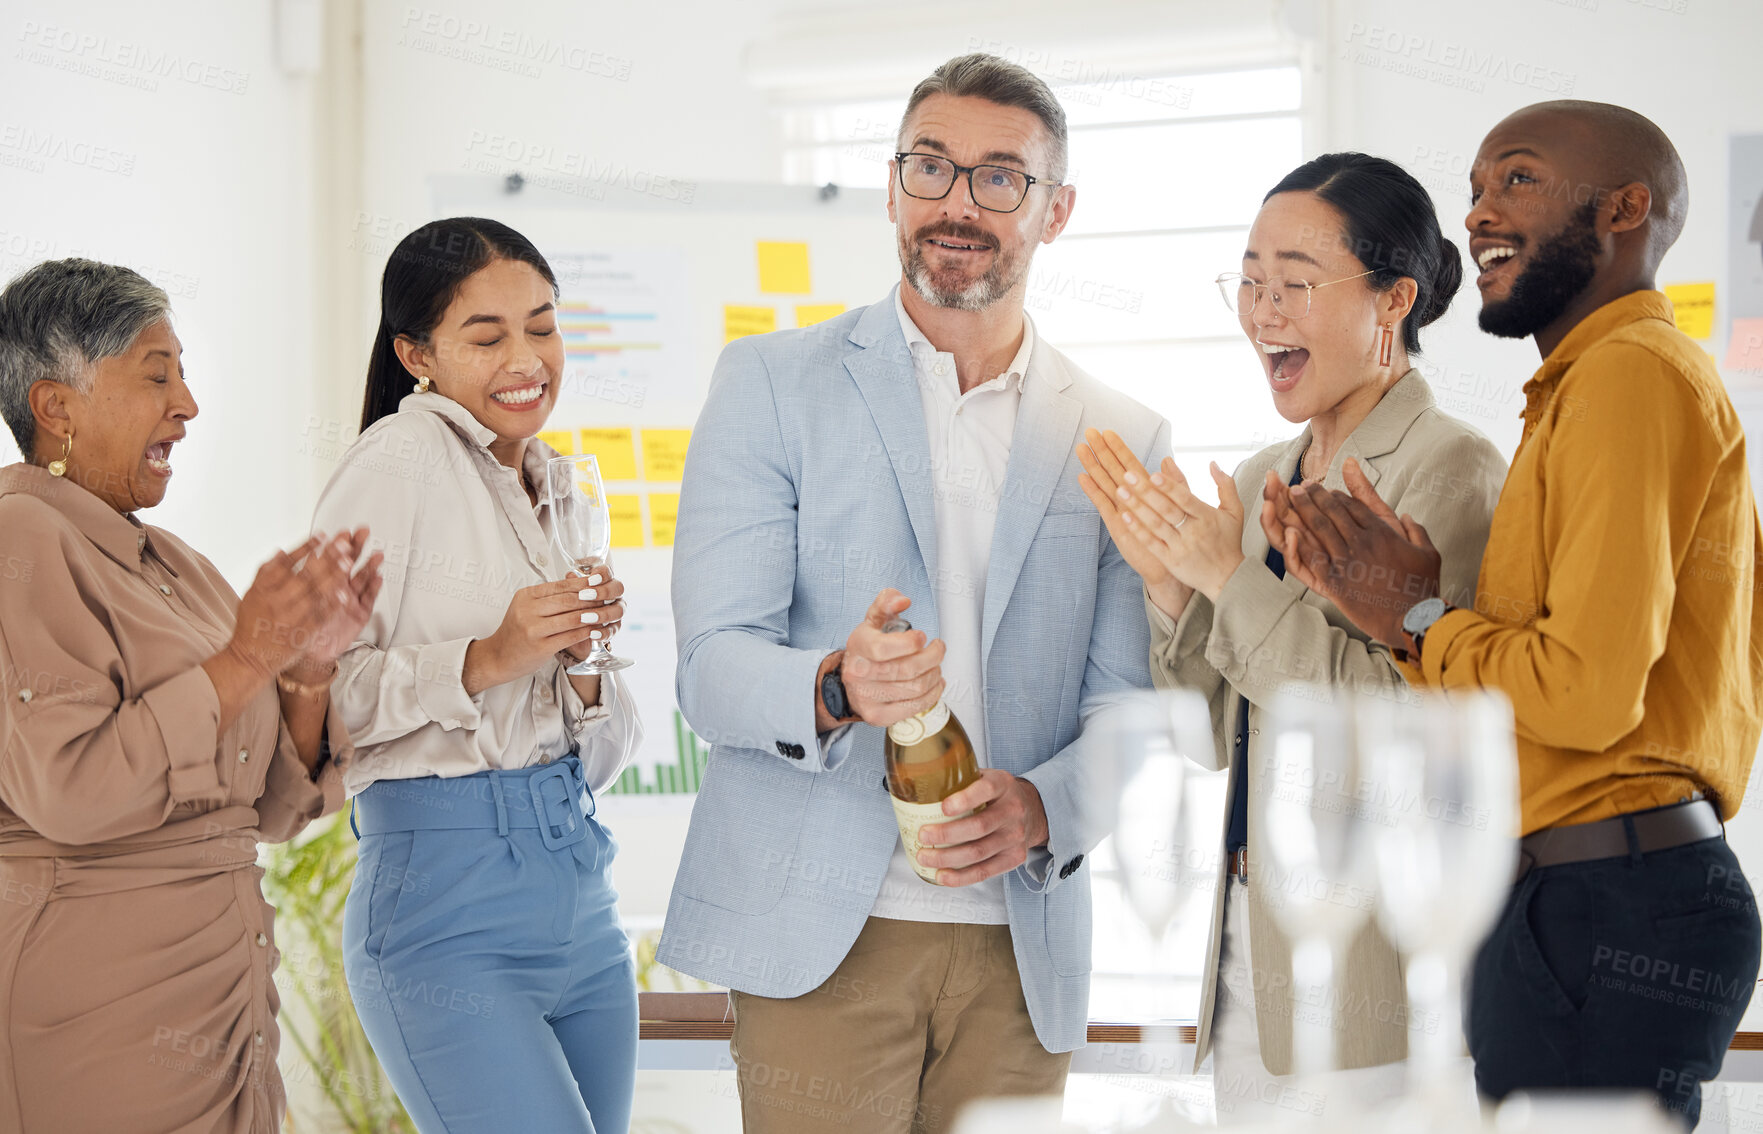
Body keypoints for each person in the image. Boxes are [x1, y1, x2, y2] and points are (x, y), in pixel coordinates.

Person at [659, 53, 1171, 1132]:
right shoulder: (768, 383)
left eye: (999, 177)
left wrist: (1044, 809)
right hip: (819, 935)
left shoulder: (1121, 435)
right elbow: (710, 666)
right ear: (891, 186)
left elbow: (1129, 703)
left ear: (1055, 209)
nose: (957, 203)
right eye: (930, 168)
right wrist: (838, 683)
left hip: (1020, 943)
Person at [1266, 101, 1763, 1129]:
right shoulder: (1586, 389)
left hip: (1604, 897)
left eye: (1518, 179)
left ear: (1624, 209)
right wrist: (1410, 614)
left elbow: (1580, 694)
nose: (1479, 212)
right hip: (1583, 893)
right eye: (1476, 186)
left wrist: (1417, 616)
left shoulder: (1626, 376)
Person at [1076, 153, 1507, 1123]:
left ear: (1392, 300)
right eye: (1250, 282)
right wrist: (1171, 591)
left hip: (1373, 960)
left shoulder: (1449, 467)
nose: (1262, 311)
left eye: (1294, 285)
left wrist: (1224, 578)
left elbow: (1401, 725)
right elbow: (1202, 734)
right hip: (1244, 948)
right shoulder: (1271, 468)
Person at [0, 258, 379, 1133]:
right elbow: (74, 790)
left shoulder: (183, 569)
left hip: (225, 1009)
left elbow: (275, 810)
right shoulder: (22, 538)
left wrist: (308, 671)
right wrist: (249, 654)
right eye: (156, 375)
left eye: (184, 375)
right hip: (98, 1012)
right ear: (56, 407)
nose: (188, 405)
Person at [314, 217, 643, 1133]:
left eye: (541, 326)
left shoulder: (551, 482)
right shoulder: (395, 462)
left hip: (581, 893)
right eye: (486, 335)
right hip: (445, 911)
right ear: (416, 353)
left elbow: (604, 756)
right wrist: (487, 659)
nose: (526, 357)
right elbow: (312, 699)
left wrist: (580, 672)